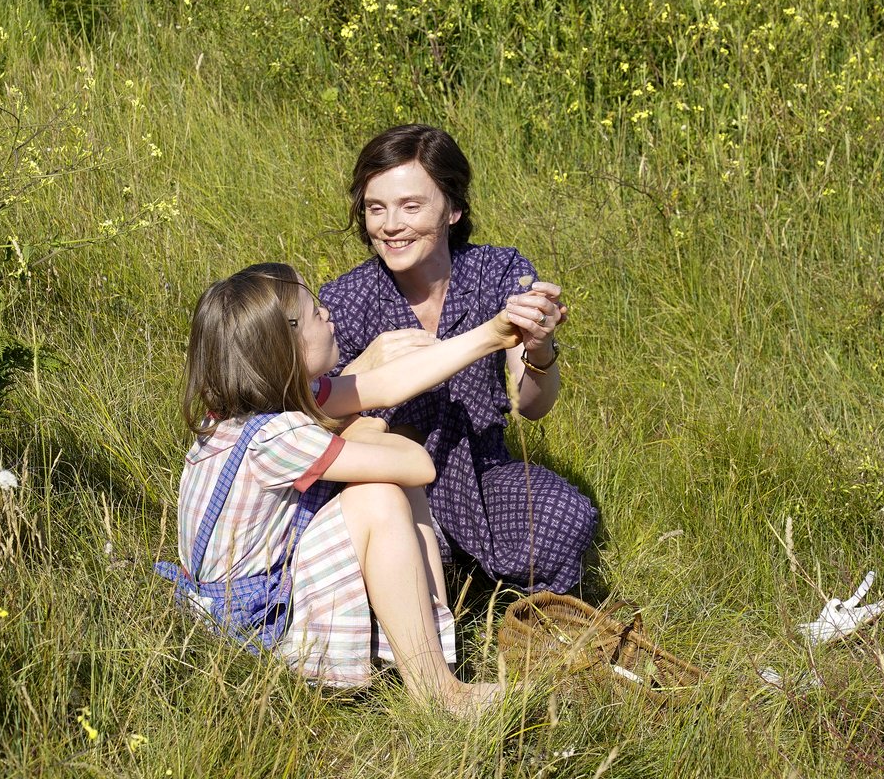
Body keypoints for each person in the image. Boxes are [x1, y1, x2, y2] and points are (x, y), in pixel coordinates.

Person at [163, 262, 524, 713]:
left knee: (377, 461)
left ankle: (428, 656)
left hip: (252, 594)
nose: (328, 313)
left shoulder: (250, 409)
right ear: (286, 343)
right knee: (379, 494)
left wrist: (493, 334)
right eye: (314, 311)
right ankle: (437, 690)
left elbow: (386, 384)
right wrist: (364, 430)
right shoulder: (279, 438)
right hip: (258, 621)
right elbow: (419, 465)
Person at [319, 124, 599, 594]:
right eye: (375, 208)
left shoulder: (498, 272)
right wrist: (364, 363)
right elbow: (313, 421)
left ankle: (527, 616)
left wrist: (539, 346)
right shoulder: (346, 299)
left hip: (483, 469)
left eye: (411, 205)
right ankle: (438, 599)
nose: (390, 225)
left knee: (563, 516)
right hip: (393, 482)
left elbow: (532, 406)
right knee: (381, 550)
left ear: (453, 208)